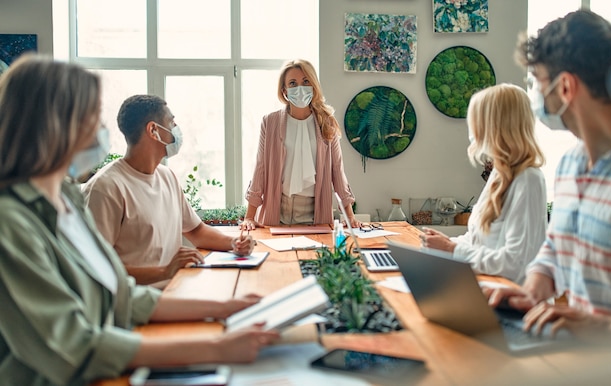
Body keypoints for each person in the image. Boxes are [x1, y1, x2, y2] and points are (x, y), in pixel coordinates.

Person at [0, 55, 279, 385]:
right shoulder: (11, 222)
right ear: (51, 125)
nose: (101, 131)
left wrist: (227, 307)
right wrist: (216, 347)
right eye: (90, 117)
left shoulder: (69, 200)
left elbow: (124, 296)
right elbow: (75, 346)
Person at [485, 9, 611, 341]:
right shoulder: (569, 166)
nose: (535, 97)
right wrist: (534, 288)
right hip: (574, 359)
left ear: (565, 87)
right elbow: (558, 245)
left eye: (537, 83)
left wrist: (603, 328)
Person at [82, 94, 255, 287]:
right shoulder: (105, 188)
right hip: (137, 304)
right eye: (171, 123)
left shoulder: (167, 177)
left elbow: (196, 231)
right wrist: (164, 271)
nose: (176, 130)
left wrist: (233, 244)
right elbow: (95, 267)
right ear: (153, 130)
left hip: (174, 289)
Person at [421, 83, 547, 284]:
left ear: (496, 126)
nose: (473, 132)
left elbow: (516, 263)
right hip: (486, 287)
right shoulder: (500, 173)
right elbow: (476, 240)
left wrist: (451, 249)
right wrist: (443, 244)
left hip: (512, 299)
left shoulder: (529, 179)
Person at [240, 59, 359, 230]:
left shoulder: (327, 123)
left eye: (305, 82)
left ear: (313, 85)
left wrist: (350, 217)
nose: (300, 88)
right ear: (285, 90)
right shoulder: (270, 122)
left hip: (315, 213)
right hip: (277, 211)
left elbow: (337, 171)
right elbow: (261, 168)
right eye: (293, 83)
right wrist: (249, 217)